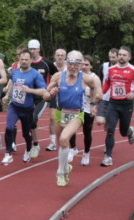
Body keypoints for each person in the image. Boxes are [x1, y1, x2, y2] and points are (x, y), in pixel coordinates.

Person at [43, 50, 102, 187]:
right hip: (60, 113)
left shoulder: (86, 78)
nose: (73, 66)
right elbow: (45, 95)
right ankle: (66, 167)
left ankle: (61, 172)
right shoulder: (58, 76)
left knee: (64, 139)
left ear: (81, 65)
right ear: (66, 63)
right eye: (70, 63)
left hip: (77, 114)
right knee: (61, 143)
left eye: (76, 64)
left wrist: (93, 103)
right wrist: (50, 93)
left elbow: (97, 90)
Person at [101, 46, 134, 167]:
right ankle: (108, 157)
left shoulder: (133, 70)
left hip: (126, 105)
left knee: (123, 132)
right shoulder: (111, 69)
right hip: (113, 103)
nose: (121, 57)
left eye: (124, 55)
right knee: (110, 129)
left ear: (129, 57)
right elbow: (106, 84)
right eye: (120, 54)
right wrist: (100, 94)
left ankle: (129, 131)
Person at [1, 49, 47, 165]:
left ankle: (28, 150)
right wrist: (7, 95)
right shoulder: (15, 72)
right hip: (14, 106)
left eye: (26, 59)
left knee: (26, 134)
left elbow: (43, 91)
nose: (24, 61)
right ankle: (8, 153)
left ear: (31, 60)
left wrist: (29, 90)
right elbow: (12, 83)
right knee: (9, 127)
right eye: (22, 59)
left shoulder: (35, 74)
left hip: (27, 109)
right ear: (19, 60)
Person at [67, 55, 102, 165]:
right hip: (75, 107)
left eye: (87, 64)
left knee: (87, 132)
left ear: (91, 66)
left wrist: (91, 97)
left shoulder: (94, 78)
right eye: (82, 64)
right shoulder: (75, 76)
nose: (84, 67)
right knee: (70, 129)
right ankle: (73, 148)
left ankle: (86, 153)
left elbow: (100, 94)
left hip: (88, 108)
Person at [28, 39, 58, 156]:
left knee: (33, 118)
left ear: (39, 49)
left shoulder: (46, 63)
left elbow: (56, 75)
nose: (33, 51)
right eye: (30, 49)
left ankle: (35, 144)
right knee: (28, 121)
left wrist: (51, 89)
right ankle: (33, 141)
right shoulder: (26, 62)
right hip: (28, 96)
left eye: (34, 49)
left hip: (42, 97)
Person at [46, 48, 67, 152]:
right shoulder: (51, 66)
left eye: (62, 55)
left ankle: (66, 140)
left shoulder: (69, 67)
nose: (60, 57)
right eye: (58, 55)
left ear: (65, 57)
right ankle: (53, 142)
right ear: (55, 56)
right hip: (54, 93)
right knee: (52, 117)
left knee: (66, 120)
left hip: (67, 94)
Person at [96, 48, 118, 127]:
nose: (111, 59)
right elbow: (100, 80)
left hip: (115, 99)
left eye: (113, 57)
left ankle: (128, 130)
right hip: (104, 97)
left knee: (108, 127)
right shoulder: (104, 66)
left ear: (118, 57)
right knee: (99, 121)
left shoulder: (122, 67)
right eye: (110, 57)